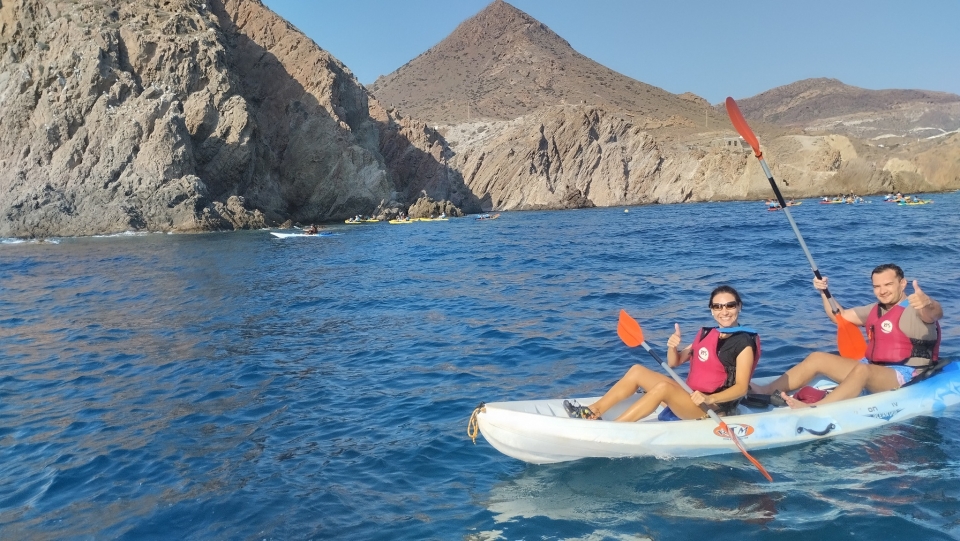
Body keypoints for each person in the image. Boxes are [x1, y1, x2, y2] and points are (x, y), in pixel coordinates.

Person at [751, 264, 942, 409]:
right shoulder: (875, 309)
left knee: (863, 370)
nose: (882, 290)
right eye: (877, 286)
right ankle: (765, 390)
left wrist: (928, 302)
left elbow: (935, 313)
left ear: (902, 284)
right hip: (873, 367)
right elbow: (839, 316)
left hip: (905, 374)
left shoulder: (918, 309)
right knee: (817, 358)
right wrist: (824, 292)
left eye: (888, 284)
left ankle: (815, 408)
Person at [564, 285, 761, 421]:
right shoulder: (707, 333)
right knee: (637, 370)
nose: (724, 311)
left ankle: (616, 428)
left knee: (663, 388)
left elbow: (741, 388)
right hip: (690, 396)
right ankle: (592, 412)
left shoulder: (743, 343)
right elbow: (675, 362)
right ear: (711, 310)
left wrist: (710, 399)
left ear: (739, 307)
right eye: (717, 306)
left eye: (730, 305)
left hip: (712, 407)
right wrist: (672, 347)